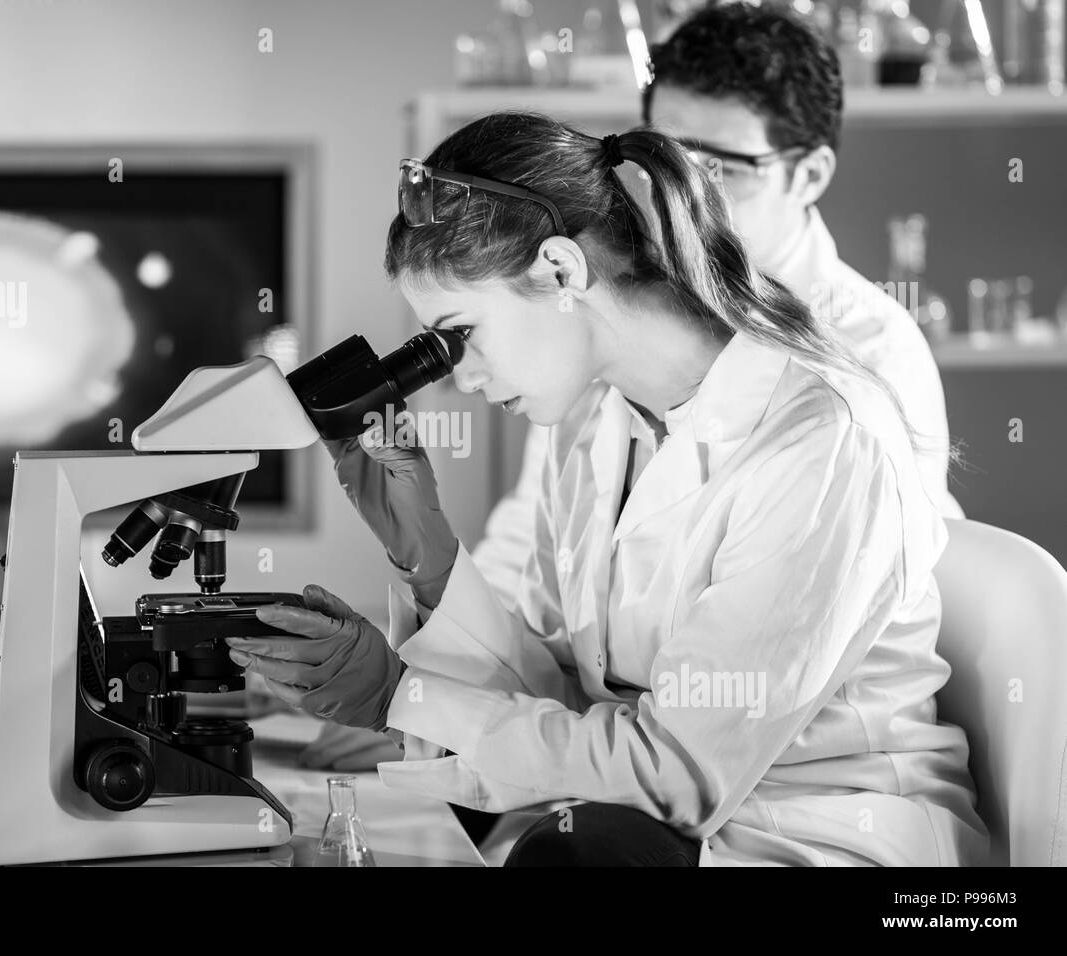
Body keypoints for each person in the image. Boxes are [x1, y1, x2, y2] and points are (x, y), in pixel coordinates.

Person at [225, 110, 988, 866]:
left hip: (823, 836)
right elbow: (564, 700)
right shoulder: (597, 424)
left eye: (461, 334)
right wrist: (431, 557)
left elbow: (674, 775)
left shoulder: (820, 444)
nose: (460, 378)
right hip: (657, 832)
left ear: (561, 271)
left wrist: (399, 695)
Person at [474, 0, 962, 608]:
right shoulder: (614, 311)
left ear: (808, 175)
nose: (677, 196)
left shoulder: (865, 353)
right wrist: (443, 657)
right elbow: (533, 534)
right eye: (662, 160)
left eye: (722, 168)